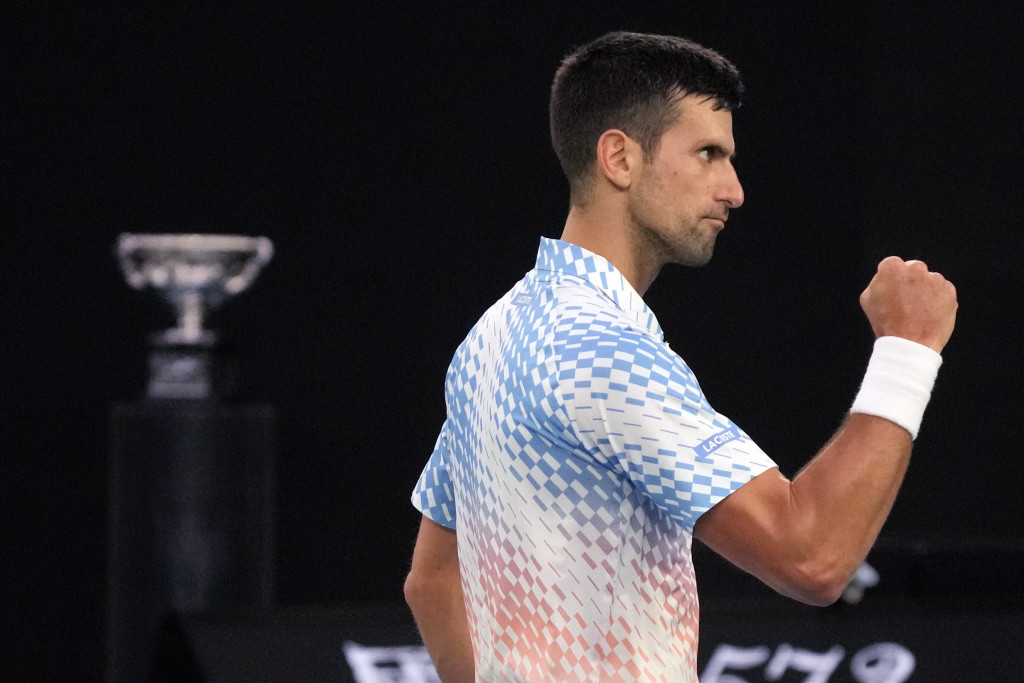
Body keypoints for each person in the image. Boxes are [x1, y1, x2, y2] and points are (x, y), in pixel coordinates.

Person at [403, 31, 957, 683]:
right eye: (707, 154)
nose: (734, 190)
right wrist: (906, 349)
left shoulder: (492, 337)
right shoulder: (603, 352)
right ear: (619, 157)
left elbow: (432, 580)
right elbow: (812, 557)